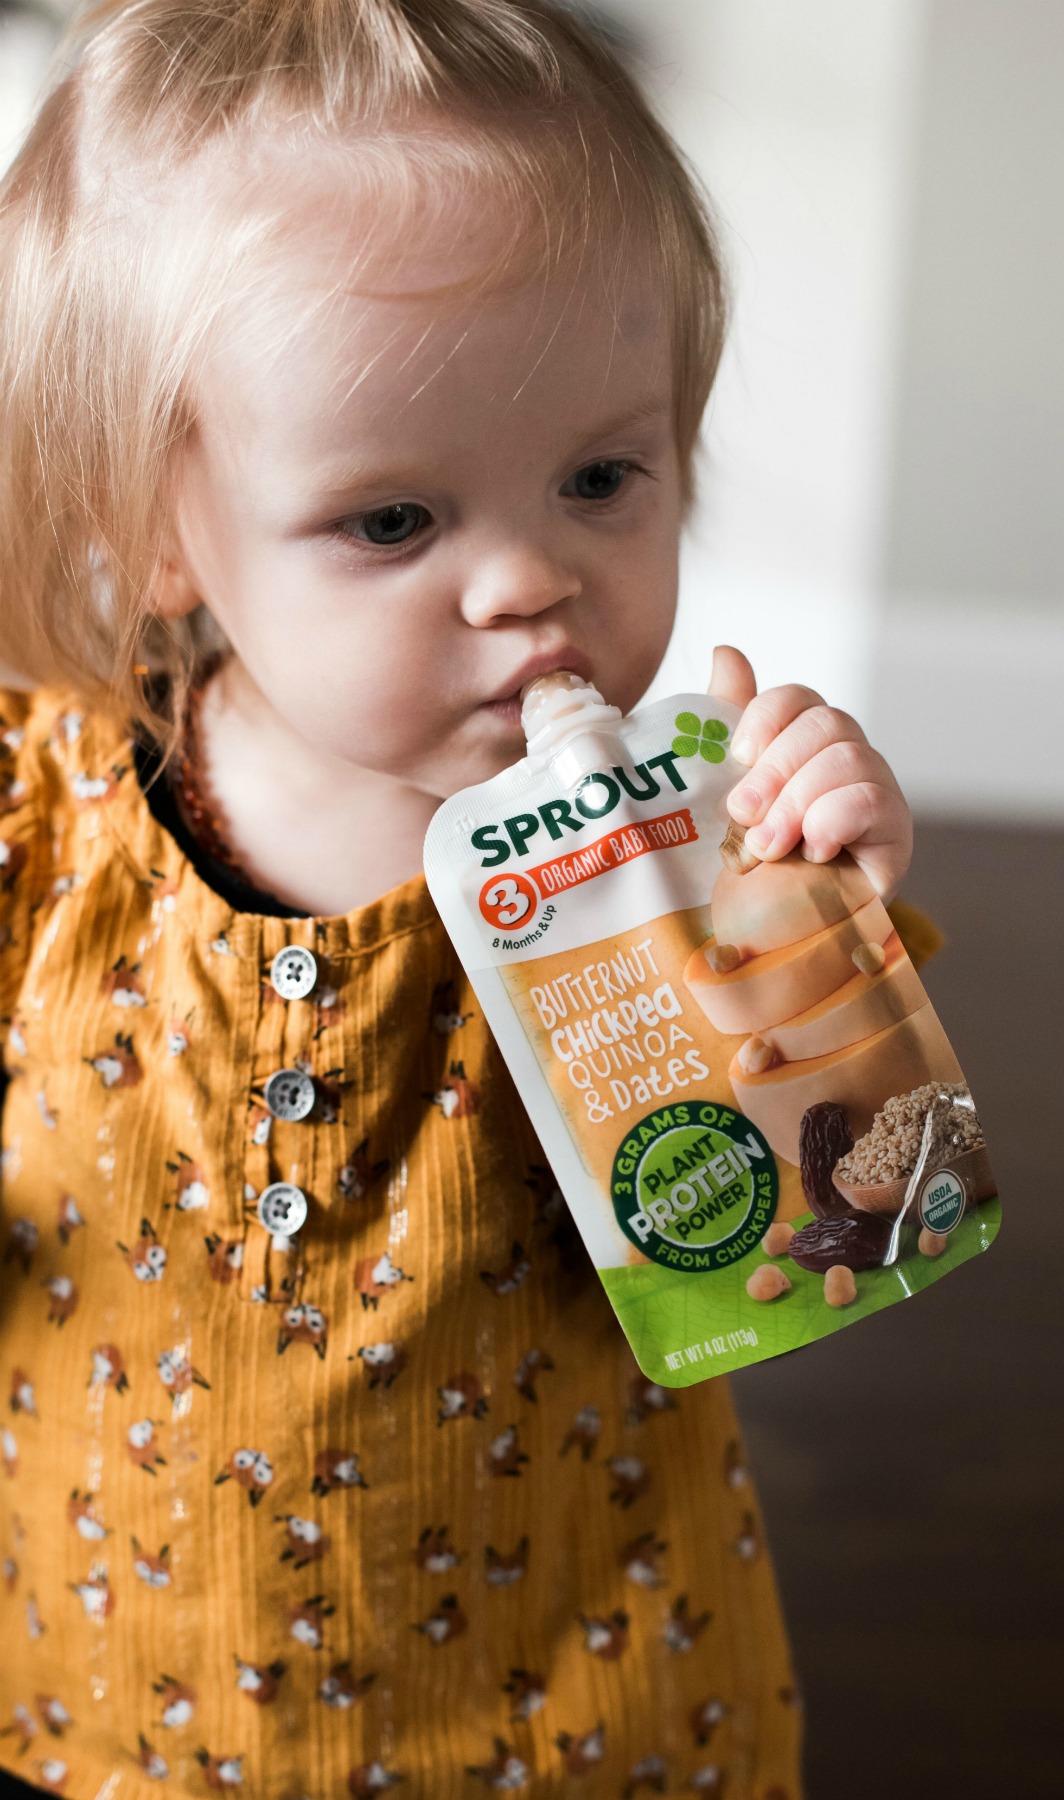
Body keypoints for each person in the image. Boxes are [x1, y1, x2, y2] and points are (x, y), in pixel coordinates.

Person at [0, 4, 924, 1795]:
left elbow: (839, 1172)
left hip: (576, 1697)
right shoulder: (44, 820)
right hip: (123, 1690)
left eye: (600, 478)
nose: (527, 581)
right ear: (160, 528)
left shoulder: (669, 849)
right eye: (393, 521)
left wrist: (822, 898)